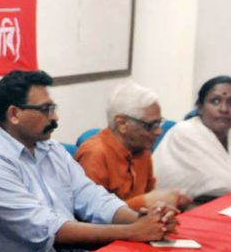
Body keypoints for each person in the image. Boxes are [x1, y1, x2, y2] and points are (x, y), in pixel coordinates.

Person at [0, 70, 177, 252]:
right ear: (14, 114)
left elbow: (93, 198)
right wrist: (132, 231)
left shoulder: (51, 149)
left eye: (53, 109)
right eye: (45, 110)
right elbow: (48, 230)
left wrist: (143, 221)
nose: (55, 118)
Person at [75, 82, 191, 210]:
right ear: (122, 124)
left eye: (159, 124)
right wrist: (144, 202)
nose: (159, 131)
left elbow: (149, 201)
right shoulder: (95, 154)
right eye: (151, 125)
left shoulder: (141, 148)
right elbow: (93, 215)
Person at [154, 76, 231, 202]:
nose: (224, 109)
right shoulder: (185, 132)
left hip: (229, 203)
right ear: (200, 107)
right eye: (215, 101)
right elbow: (226, 182)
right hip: (178, 210)